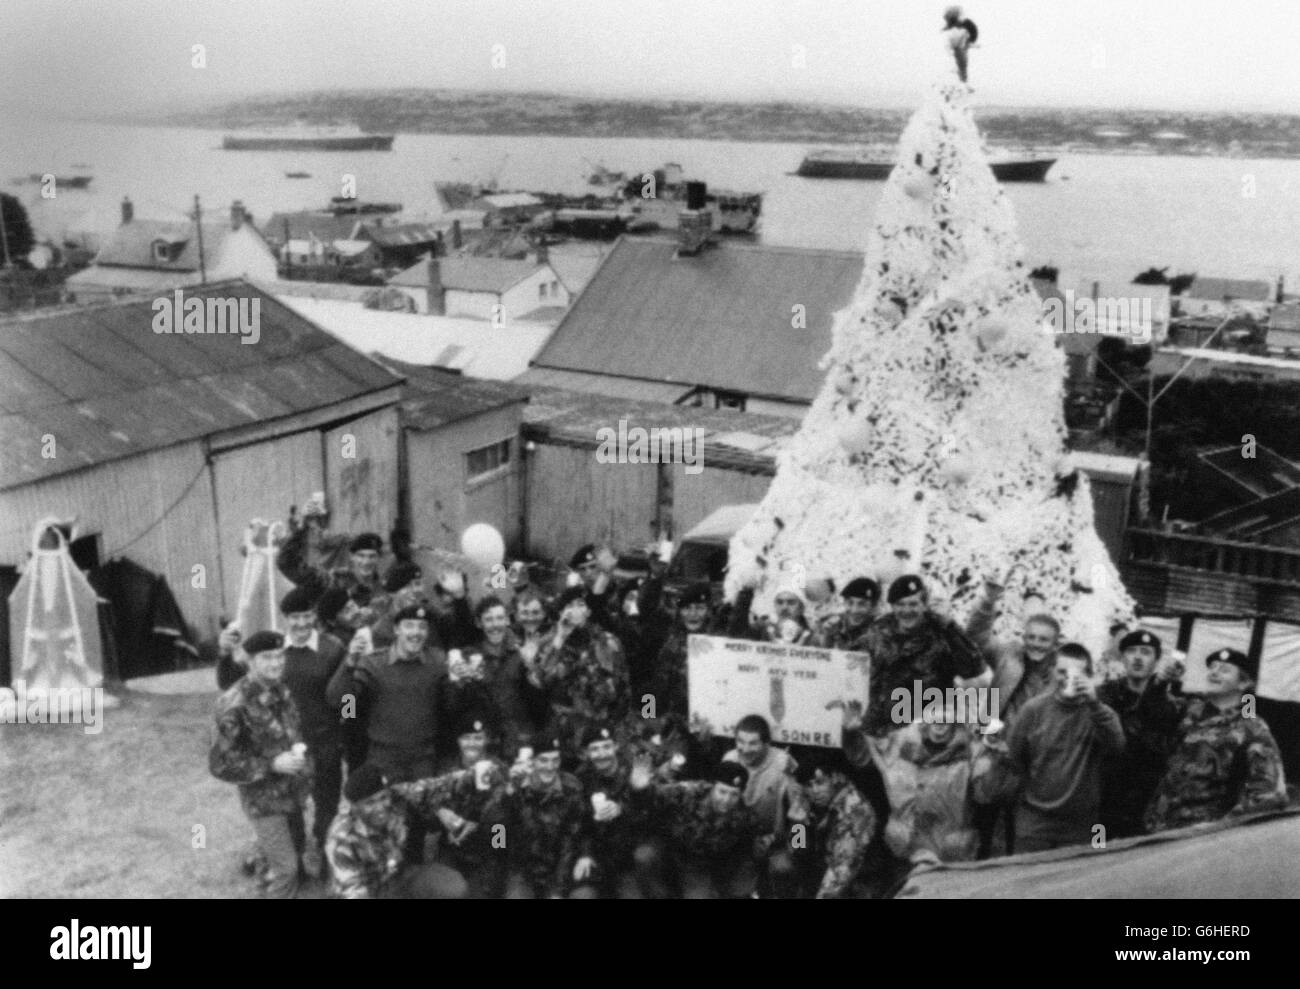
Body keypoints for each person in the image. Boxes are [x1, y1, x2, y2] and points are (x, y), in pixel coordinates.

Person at [326, 603, 448, 864]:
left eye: (422, 627)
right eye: (409, 626)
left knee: (416, 826)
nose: (416, 633)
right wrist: (349, 663)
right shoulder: (374, 664)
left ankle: (411, 876)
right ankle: (379, 876)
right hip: (384, 759)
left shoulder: (438, 661)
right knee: (383, 824)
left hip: (422, 759)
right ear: (396, 630)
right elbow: (340, 700)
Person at [209, 630, 311, 898]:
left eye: (279, 656)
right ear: (250, 661)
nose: (276, 663)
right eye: (267, 658)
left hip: (291, 793)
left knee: (285, 858)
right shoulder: (234, 703)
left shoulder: (280, 689)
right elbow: (221, 764)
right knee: (286, 870)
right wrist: (272, 764)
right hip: (264, 801)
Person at [1144, 649, 1288, 833]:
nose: (1214, 672)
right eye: (1212, 668)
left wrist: (1222, 828)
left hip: (1197, 840)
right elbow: (1150, 713)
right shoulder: (1189, 710)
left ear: (1243, 683)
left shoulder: (1251, 727)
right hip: (1157, 829)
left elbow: (1271, 794)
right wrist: (1161, 681)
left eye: (1224, 670)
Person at [1002, 643, 1125, 852]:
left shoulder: (1100, 713)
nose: (1069, 678)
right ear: (1052, 672)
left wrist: (1095, 704)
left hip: (1084, 823)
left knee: (1079, 881)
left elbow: (1117, 747)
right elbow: (1013, 757)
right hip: (1034, 820)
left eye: (1077, 673)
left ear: (1089, 676)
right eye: (1062, 671)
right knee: (1026, 880)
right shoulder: (1033, 710)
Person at [860, 575, 989, 737]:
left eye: (913, 604)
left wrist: (950, 626)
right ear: (892, 606)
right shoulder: (878, 631)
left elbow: (974, 669)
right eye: (900, 604)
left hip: (924, 729)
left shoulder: (943, 631)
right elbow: (858, 670)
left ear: (924, 605)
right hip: (880, 728)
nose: (907, 611)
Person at [323, 764, 471, 899]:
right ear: (355, 807)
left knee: (453, 886)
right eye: (370, 803)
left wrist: (472, 774)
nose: (380, 807)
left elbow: (433, 787)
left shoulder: (396, 796)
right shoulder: (342, 838)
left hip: (397, 879)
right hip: (367, 891)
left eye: (383, 798)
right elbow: (353, 892)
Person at [629, 757, 768, 899]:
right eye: (722, 792)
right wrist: (640, 789)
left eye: (734, 794)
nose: (726, 800)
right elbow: (653, 797)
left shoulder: (743, 815)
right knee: (644, 856)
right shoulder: (688, 792)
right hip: (668, 848)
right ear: (712, 786)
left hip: (695, 865)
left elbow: (758, 839)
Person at [1098, 630, 1188, 839]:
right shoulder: (1104, 695)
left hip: (1145, 801)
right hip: (1105, 798)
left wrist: (1160, 685)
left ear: (1157, 661)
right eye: (1131, 651)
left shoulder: (1173, 705)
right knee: (1097, 855)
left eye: (1146, 652)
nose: (1138, 657)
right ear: (1122, 658)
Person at [529, 586, 630, 758]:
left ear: (588, 611)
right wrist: (560, 638)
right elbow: (539, 681)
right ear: (561, 613)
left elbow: (623, 690)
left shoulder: (608, 642)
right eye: (570, 606)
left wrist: (619, 732)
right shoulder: (549, 643)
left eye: (580, 604)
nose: (576, 610)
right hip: (565, 733)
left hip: (601, 731)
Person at [721, 714, 807, 898]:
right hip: (741, 840)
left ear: (767, 743)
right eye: (740, 741)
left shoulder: (783, 763)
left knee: (784, 867)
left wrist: (794, 839)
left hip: (777, 841)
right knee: (737, 890)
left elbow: (800, 811)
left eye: (753, 743)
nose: (745, 749)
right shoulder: (730, 759)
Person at [441, 595, 535, 761]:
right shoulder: (468, 656)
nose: (495, 624)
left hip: (518, 739)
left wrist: (532, 666)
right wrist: (460, 682)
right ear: (479, 623)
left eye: (500, 618)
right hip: (484, 742)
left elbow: (534, 700)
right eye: (489, 619)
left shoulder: (521, 653)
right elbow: (452, 704)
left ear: (507, 620)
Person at [572, 723, 660, 898]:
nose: (602, 754)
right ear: (587, 753)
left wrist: (639, 793)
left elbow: (655, 819)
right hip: (602, 855)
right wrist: (585, 853)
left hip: (634, 852)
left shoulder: (635, 770)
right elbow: (580, 824)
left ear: (616, 747)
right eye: (595, 749)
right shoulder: (582, 778)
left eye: (606, 746)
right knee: (581, 895)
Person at [505, 736, 589, 898]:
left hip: (559, 868)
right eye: (543, 760)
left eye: (555, 760)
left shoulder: (572, 787)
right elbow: (496, 827)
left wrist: (557, 890)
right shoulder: (515, 786)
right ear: (532, 762)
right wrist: (509, 791)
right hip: (523, 872)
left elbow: (570, 841)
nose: (550, 767)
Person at [798, 751, 876, 899]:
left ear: (834, 778)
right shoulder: (805, 799)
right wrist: (798, 825)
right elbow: (798, 850)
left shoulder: (854, 809)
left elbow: (842, 869)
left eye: (820, 783)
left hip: (859, 877)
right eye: (809, 785)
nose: (815, 791)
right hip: (823, 867)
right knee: (784, 866)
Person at [815, 577, 880, 651]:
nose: (854, 610)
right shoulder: (830, 622)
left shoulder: (879, 629)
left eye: (862, 604)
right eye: (850, 602)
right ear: (844, 602)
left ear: (873, 606)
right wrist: (827, 636)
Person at [942, 5, 978, 83]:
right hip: (958, 46)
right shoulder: (960, 25)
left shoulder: (965, 24)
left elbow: (973, 32)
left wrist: (970, 41)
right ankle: (962, 80)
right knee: (960, 64)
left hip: (961, 46)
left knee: (962, 64)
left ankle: (963, 81)